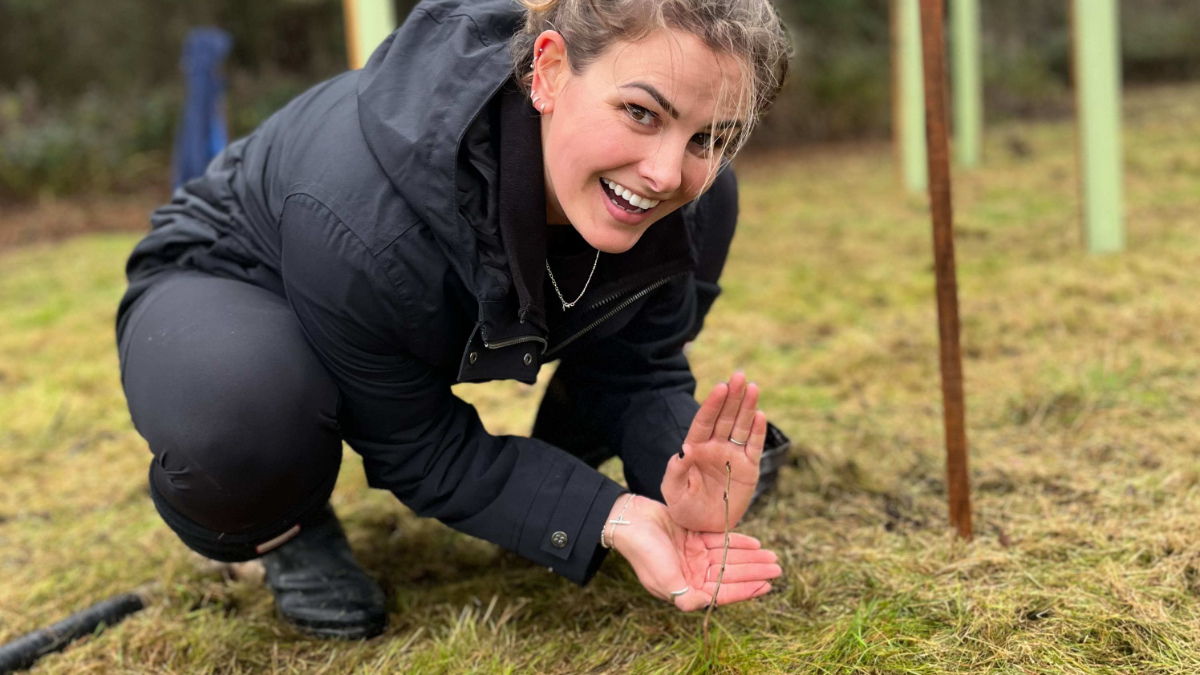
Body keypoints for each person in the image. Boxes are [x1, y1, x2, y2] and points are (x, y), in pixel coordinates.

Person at [116, 0, 792, 640]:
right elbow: (416, 444)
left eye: (710, 138)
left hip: (371, 285)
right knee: (244, 413)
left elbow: (638, 369)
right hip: (235, 274)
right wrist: (600, 514)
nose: (665, 172)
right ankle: (280, 530)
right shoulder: (362, 218)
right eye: (642, 113)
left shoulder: (695, 197)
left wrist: (675, 471)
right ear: (550, 70)